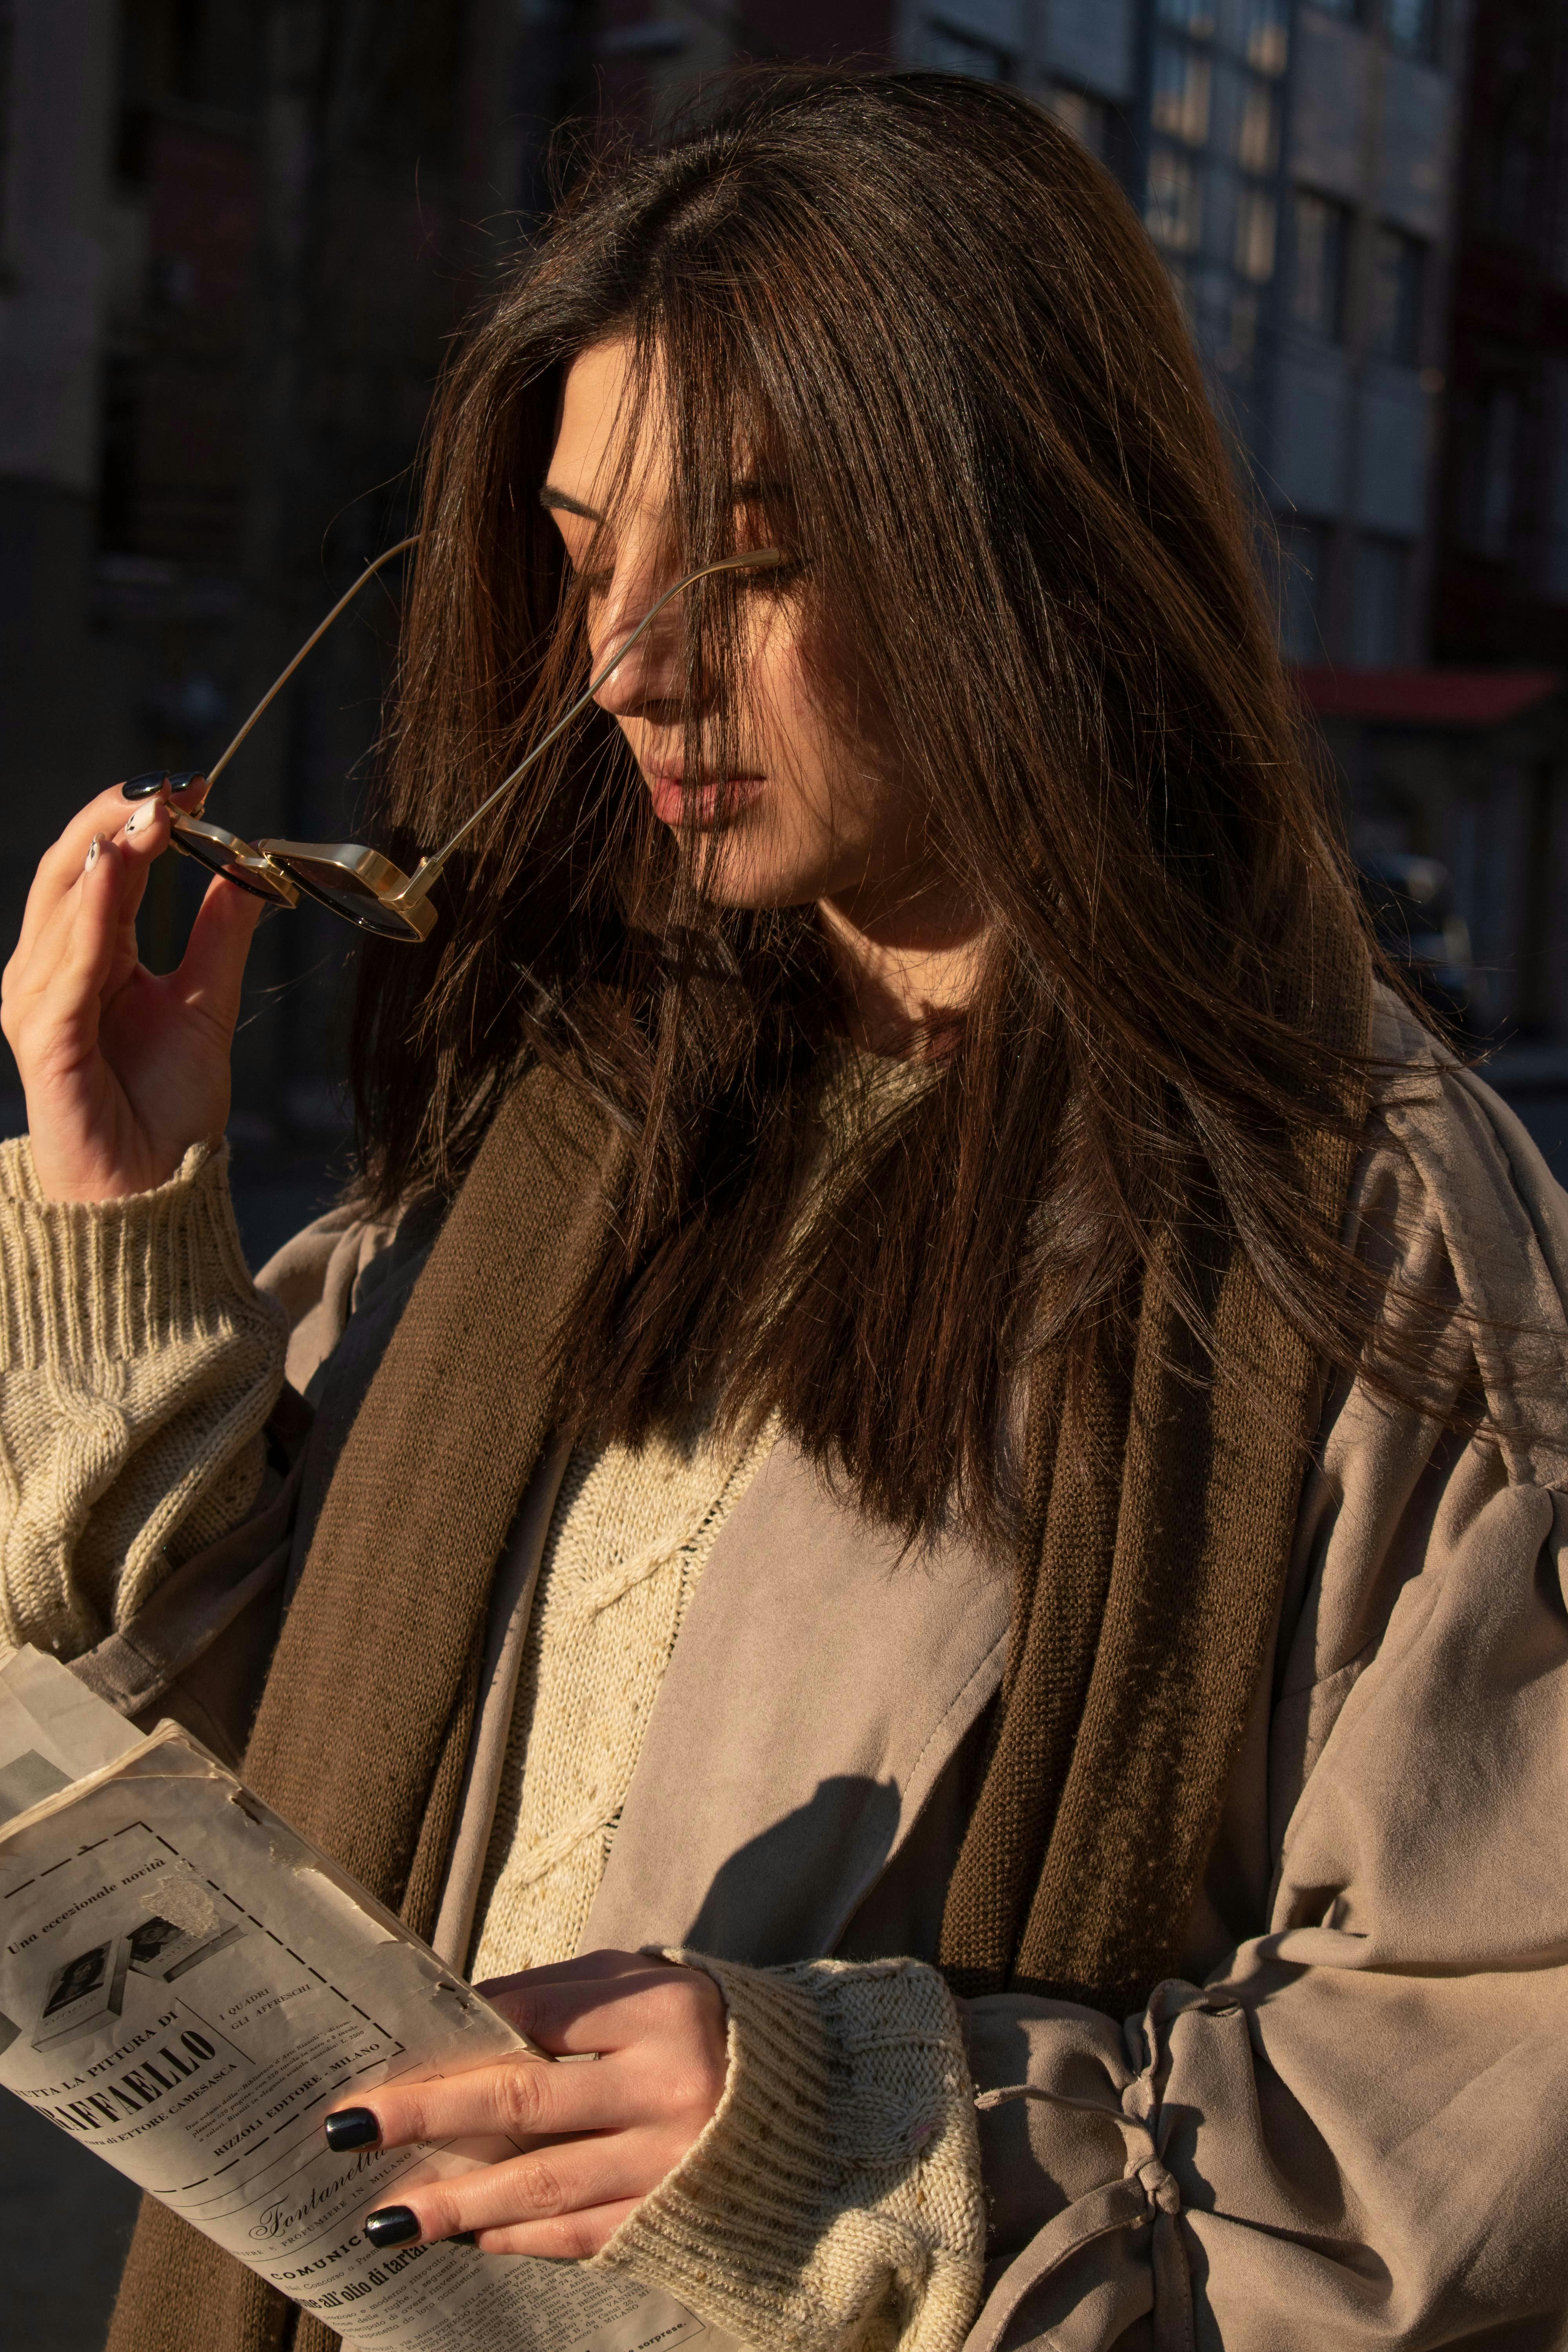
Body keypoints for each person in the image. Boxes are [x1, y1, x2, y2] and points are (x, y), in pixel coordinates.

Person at [2, 68, 1564, 2352]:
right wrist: (123, 1214)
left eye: (749, 553)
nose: (630, 663)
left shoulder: (1363, 1232)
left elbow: (1495, 2070)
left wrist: (881, 2143)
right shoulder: (572, 1123)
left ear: (1022, 540)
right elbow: (259, 1805)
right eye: (583, 552)